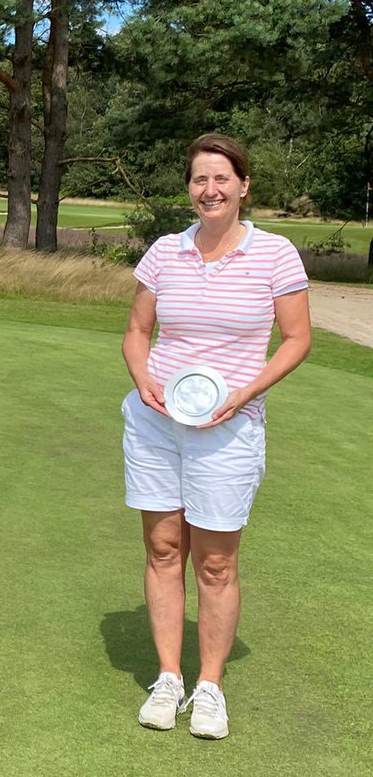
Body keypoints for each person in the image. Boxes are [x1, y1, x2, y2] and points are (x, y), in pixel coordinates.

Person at [121, 134, 310, 739]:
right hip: (156, 424)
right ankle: (169, 678)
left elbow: (298, 339)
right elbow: (136, 329)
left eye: (222, 179)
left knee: (218, 562)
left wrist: (245, 393)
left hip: (229, 427)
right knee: (163, 548)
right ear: (190, 189)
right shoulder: (164, 252)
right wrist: (143, 380)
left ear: (243, 185)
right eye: (200, 180)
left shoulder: (275, 253)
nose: (211, 190)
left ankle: (209, 687)